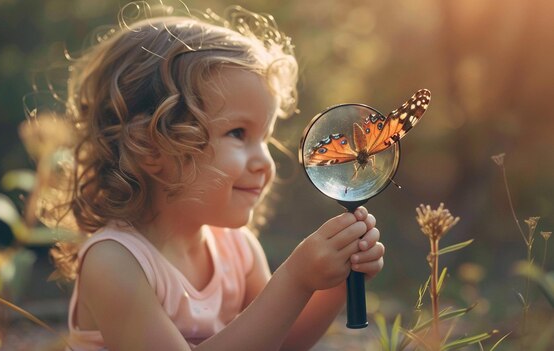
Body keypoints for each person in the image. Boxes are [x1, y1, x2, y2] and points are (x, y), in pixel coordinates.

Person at [49, 3, 385, 350]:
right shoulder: (113, 262)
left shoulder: (237, 250)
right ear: (150, 147)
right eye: (238, 133)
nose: (265, 162)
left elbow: (281, 343)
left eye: (265, 138)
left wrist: (335, 284)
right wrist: (296, 280)